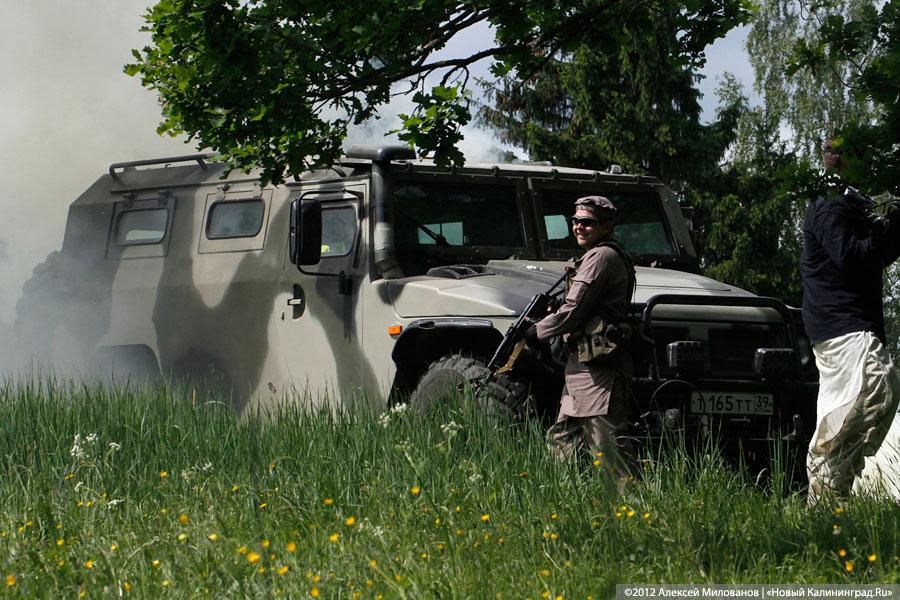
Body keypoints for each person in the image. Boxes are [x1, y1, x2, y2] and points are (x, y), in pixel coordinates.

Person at [801, 138, 900, 504]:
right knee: (877, 384)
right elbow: (853, 256)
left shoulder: (852, 204)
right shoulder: (830, 204)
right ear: (844, 161)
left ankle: (824, 506)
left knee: (847, 411)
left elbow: (871, 253)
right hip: (842, 326)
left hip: (846, 325)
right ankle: (826, 490)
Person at [526, 195, 636, 491]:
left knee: (609, 447)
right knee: (561, 440)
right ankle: (558, 502)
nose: (579, 228)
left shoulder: (602, 257)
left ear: (607, 225)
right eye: (575, 221)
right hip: (582, 367)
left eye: (588, 223)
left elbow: (573, 311)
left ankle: (632, 513)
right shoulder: (595, 256)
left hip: (600, 369)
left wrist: (537, 332)